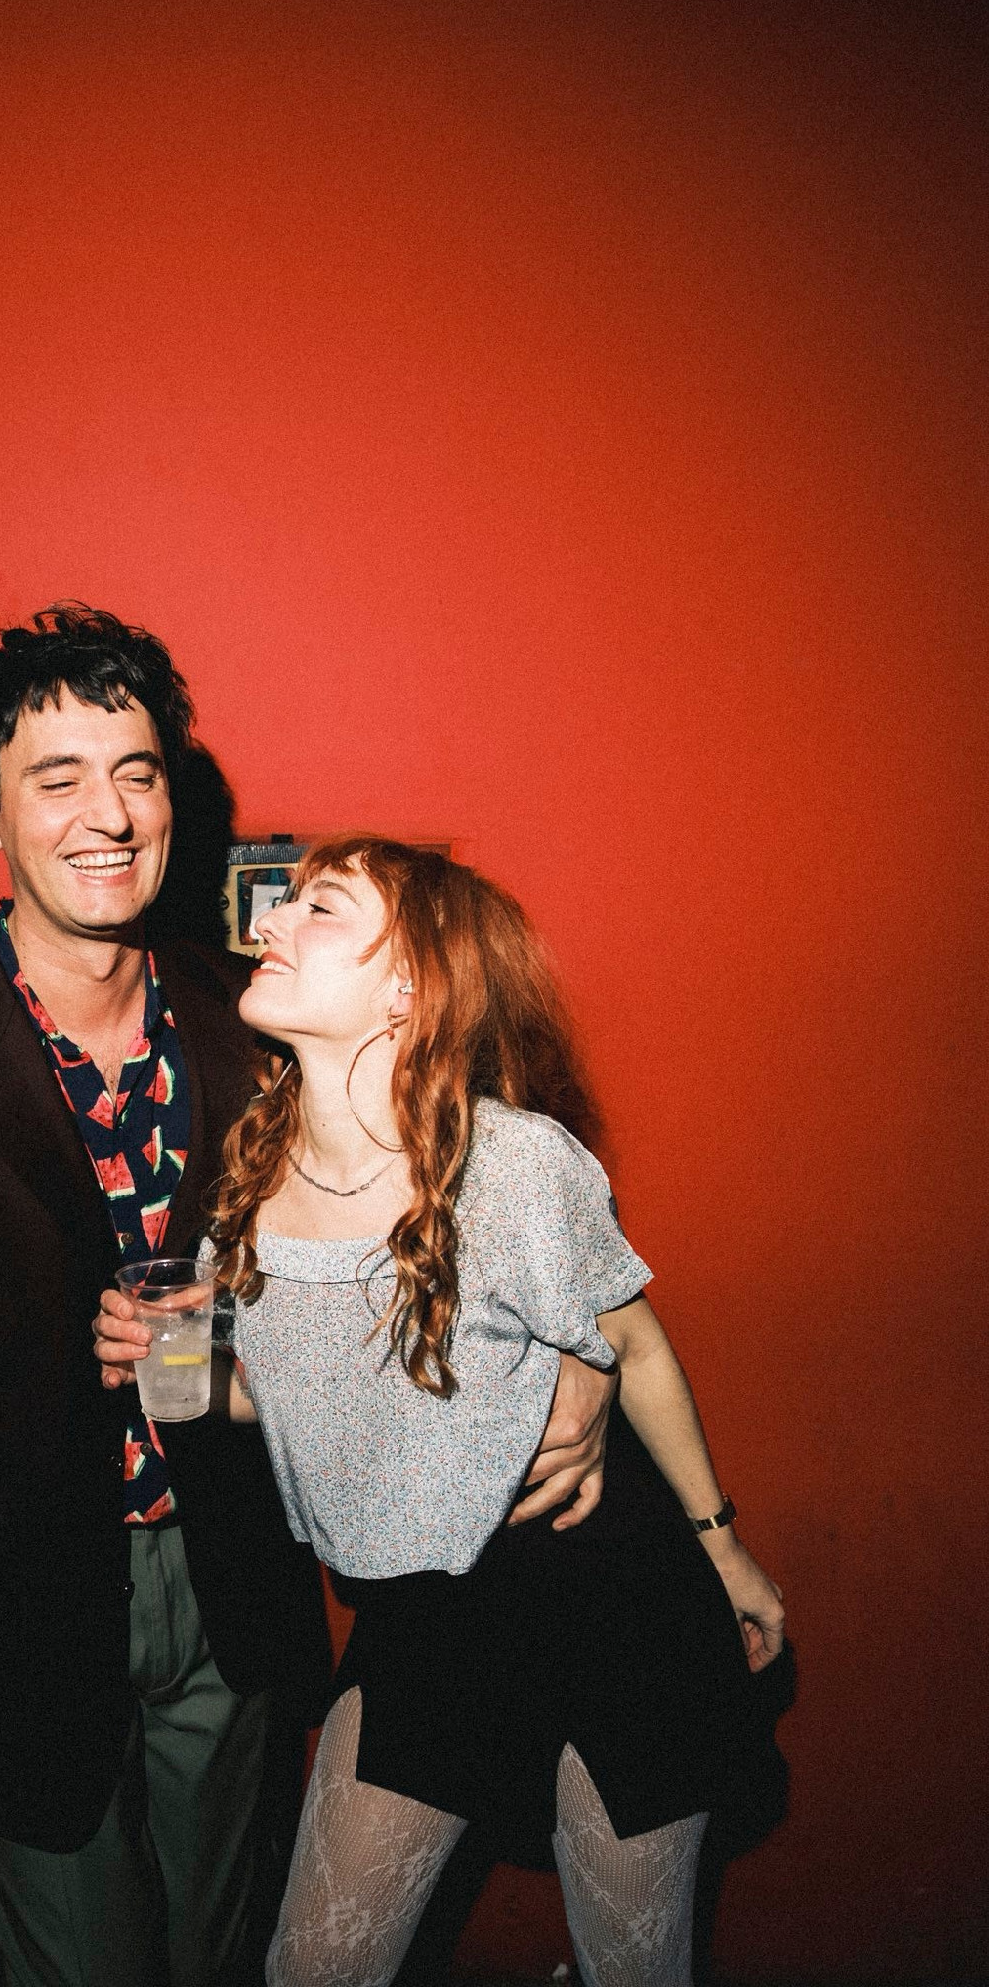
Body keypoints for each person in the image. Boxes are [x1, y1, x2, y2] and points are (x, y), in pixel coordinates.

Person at [0, 614, 625, 1987]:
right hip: (16, 1617)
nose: (110, 815)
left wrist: (582, 1370)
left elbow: (473, 1195)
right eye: (56, 779)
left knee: (223, 1948)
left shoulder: (265, 1020)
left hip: (230, 1583)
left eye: (138, 771)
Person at [95, 835, 786, 1987]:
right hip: (422, 1627)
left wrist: (723, 1547)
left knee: (633, 1969)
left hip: (607, 1606)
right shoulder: (247, 1170)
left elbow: (634, 1343)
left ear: (407, 989)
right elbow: (283, 1391)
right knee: (308, 1971)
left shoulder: (511, 1163)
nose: (270, 924)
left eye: (320, 908)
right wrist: (165, 1358)